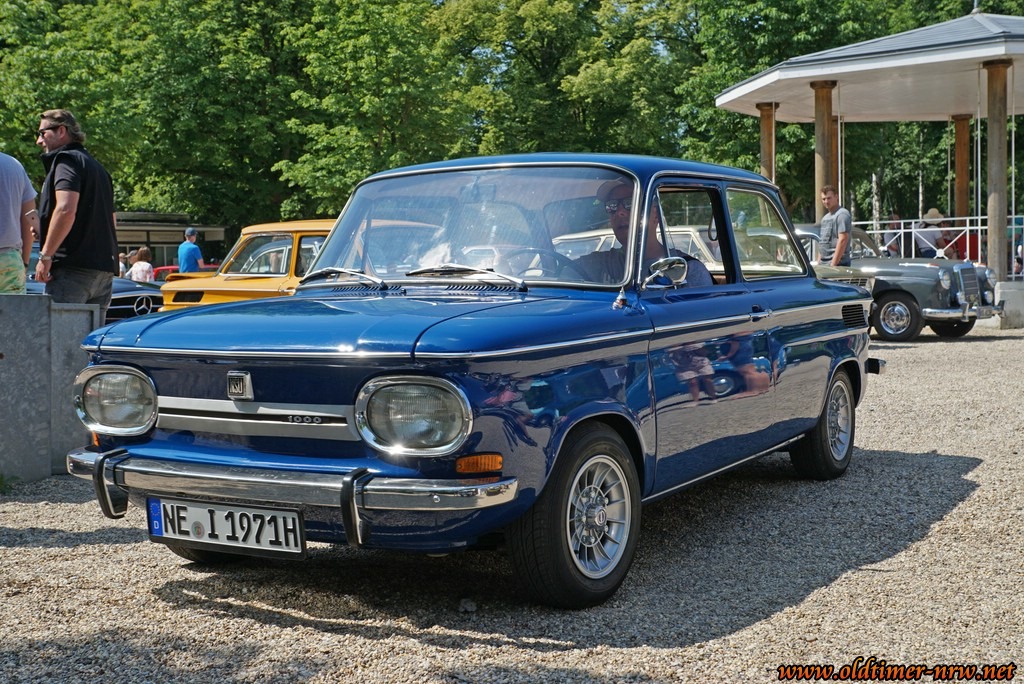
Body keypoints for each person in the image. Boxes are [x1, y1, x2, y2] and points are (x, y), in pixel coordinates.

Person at [34, 109, 119, 323]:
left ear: (61, 131)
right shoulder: (99, 169)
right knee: (89, 341)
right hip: (103, 270)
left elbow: (65, 209)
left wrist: (45, 256)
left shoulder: (66, 161)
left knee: (59, 339)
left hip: (72, 271)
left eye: (42, 133)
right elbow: (112, 222)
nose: (39, 141)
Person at [574, 179, 713, 286]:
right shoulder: (599, 264)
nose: (620, 212)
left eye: (631, 203)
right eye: (612, 206)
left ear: (656, 215)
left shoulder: (688, 270)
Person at [0, 151, 38, 294]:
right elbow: (29, 217)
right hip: (10, 261)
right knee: (13, 309)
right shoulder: (14, 165)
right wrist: (25, 262)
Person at [819, 185, 851, 266]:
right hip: (824, 265)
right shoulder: (825, 218)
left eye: (829, 198)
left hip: (838, 266)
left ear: (836, 197)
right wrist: (818, 263)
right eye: (823, 199)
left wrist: (833, 265)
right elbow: (823, 243)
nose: (826, 201)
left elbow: (843, 239)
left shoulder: (842, 214)